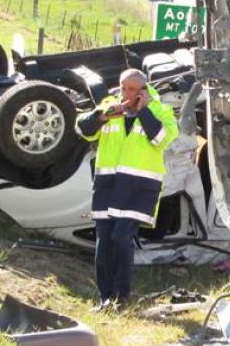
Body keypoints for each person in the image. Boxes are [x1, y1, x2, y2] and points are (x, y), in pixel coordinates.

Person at [75, 69, 178, 309]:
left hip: (138, 188)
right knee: (104, 242)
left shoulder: (161, 110)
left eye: (131, 89)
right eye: (123, 88)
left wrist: (143, 111)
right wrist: (102, 116)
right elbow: (82, 129)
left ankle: (121, 296)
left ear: (143, 91)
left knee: (121, 238)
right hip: (108, 186)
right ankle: (104, 298)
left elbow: (161, 139)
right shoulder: (110, 106)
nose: (125, 94)